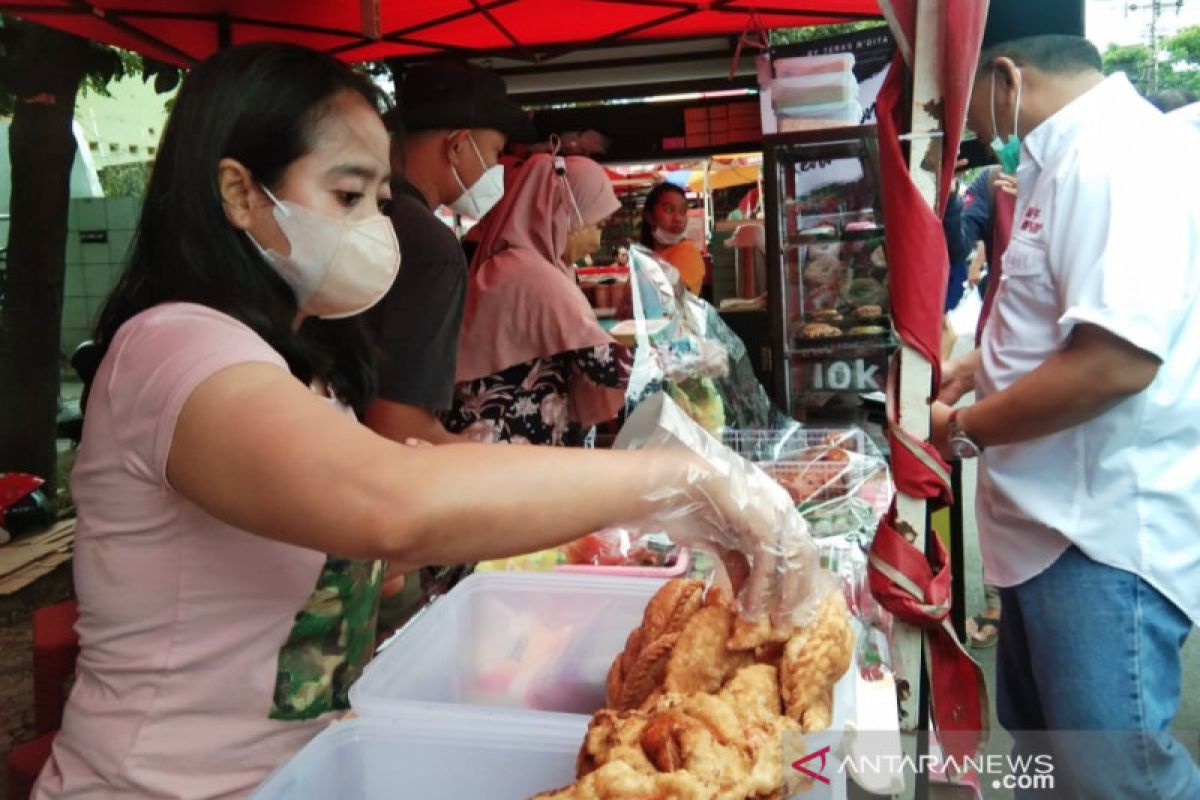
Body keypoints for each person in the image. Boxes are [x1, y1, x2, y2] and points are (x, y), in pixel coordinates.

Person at [33, 43, 817, 799]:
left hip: (305, 771)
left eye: (378, 201)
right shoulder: (175, 350)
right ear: (240, 193)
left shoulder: (300, 366)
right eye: (346, 197)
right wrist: (681, 479)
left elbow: (386, 514)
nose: (375, 227)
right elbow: (390, 500)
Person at [932, 34, 1200, 797]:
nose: (962, 121)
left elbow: (1115, 363)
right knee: (1049, 765)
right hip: (1045, 533)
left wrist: (963, 431)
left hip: (1096, 538)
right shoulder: (1062, 159)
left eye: (956, 98)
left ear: (1006, 75)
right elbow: (1064, 327)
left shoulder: (1116, 155)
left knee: (1118, 779)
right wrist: (978, 366)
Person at [363, 61, 534, 445]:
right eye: (495, 152)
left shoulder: (370, 216)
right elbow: (398, 428)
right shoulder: (429, 247)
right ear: (457, 146)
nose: (496, 168)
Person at [446, 153, 630, 446]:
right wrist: (674, 357)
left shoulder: (517, 264)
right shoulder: (531, 275)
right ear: (565, 214)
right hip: (502, 447)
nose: (597, 239)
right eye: (597, 225)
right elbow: (602, 365)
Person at [639, 181, 706, 295]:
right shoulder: (647, 256)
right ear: (650, 216)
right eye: (669, 210)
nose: (678, 218)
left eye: (682, 211)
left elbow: (666, 299)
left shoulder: (687, 252)